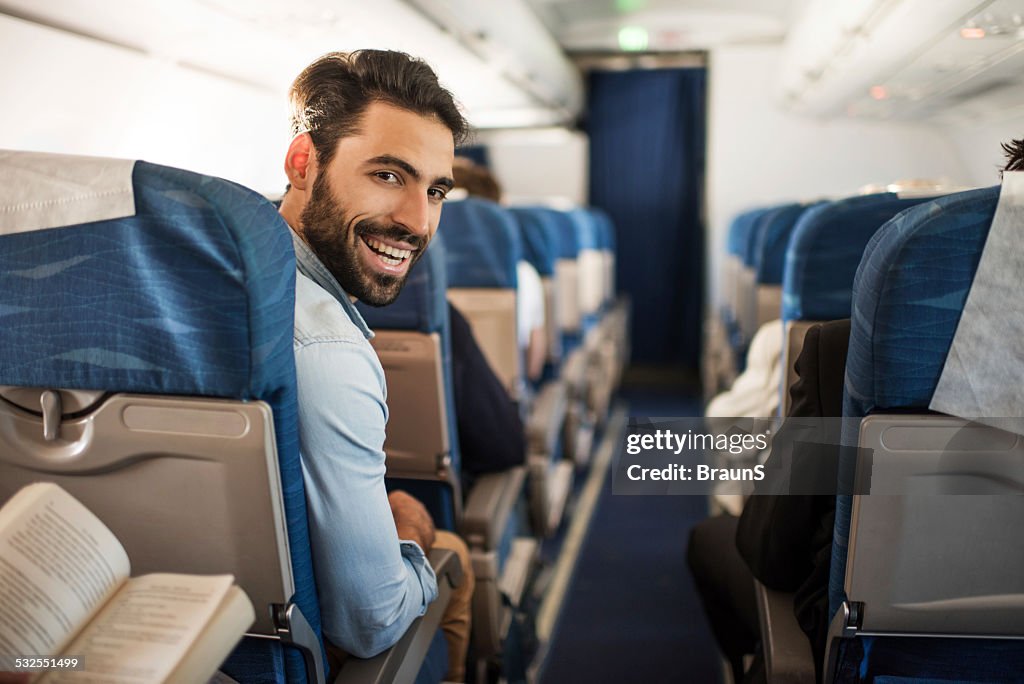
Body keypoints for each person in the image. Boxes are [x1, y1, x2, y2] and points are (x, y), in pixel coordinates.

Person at [277, 50, 474, 680]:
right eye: (388, 175)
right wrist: (412, 537)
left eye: (436, 190)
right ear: (303, 162)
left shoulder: (199, 271)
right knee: (452, 557)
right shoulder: (328, 347)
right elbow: (368, 620)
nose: (418, 222)